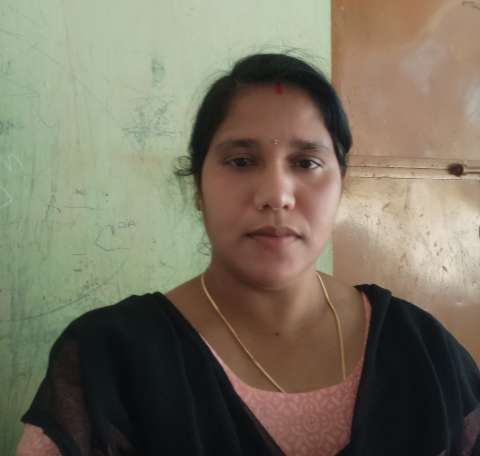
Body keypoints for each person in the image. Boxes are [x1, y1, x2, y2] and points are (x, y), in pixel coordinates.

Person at [17, 53, 480, 455]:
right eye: (241, 161)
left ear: (341, 184)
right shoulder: (109, 360)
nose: (276, 195)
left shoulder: (423, 350)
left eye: (306, 162)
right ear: (198, 187)